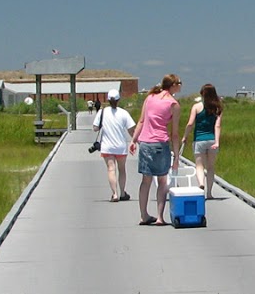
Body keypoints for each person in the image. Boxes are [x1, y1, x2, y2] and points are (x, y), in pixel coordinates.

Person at [131, 73, 182, 225]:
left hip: (145, 143)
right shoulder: (173, 104)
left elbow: (141, 121)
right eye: (179, 83)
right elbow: (174, 134)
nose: (180, 85)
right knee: (162, 180)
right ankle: (160, 217)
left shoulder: (150, 98)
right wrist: (177, 156)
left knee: (145, 181)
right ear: (173, 86)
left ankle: (143, 215)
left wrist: (133, 140)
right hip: (161, 144)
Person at [182, 83, 224, 200]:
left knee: (199, 165)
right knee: (210, 167)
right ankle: (209, 193)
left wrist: (185, 136)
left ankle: (201, 183)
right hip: (212, 140)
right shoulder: (218, 108)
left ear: (202, 94)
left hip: (199, 140)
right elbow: (218, 126)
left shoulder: (196, 107)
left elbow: (190, 123)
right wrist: (217, 142)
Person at [92, 90, 135, 202]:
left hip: (107, 147)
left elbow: (95, 128)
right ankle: (122, 192)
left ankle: (114, 194)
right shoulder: (124, 113)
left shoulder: (102, 112)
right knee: (122, 170)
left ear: (108, 100)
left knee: (111, 169)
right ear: (118, 100)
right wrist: (134, 141)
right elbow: (131, 129)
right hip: (121, 146)